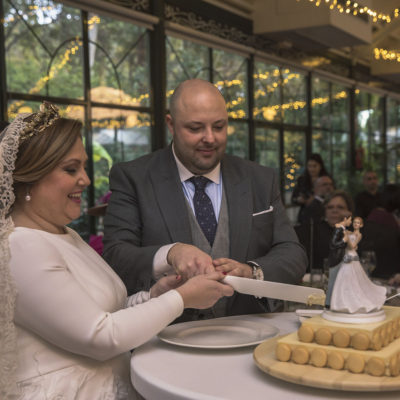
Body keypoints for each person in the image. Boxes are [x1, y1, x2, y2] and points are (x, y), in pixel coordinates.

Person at [0, 102, 234, 399]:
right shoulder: (20, 246)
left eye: (83, 167)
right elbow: (101, 336)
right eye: (71, 169)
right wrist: (182, 298)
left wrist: (155, 295)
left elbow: (109, 313)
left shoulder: (66, 235)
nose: (85, 179)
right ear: (31, 178)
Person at [103, 78, 307, 321]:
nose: (210, 138)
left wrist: (252, 272)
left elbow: (293, 253)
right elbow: (116, 256)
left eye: (219, 127)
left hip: (250, 331)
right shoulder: (134, 178)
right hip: (167, 334)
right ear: (171, 125)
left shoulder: (260, 179)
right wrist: (169, 254)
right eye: (195, 128)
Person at [329, 216, 386, 314]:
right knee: (344, 277)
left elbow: (353, 246)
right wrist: (342, 228)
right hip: (346, 255)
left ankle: (352, 301)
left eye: (358, 223)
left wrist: (347, 239)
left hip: (351, 255)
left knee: (351, 277)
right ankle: (342, 301)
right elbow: (341, 228)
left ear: (361, 225)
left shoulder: (359, 235)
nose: (356, 224)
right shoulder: (349, 232)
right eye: (355, 222)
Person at [295, 190, 354, 273]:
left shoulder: (354, 230)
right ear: (325, 211)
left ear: (349, 212)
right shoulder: (314, 230)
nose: (334, 211)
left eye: (340, 207)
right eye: (330, 207)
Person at [291, 153, 329, 224]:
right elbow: (294, 198)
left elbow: (331, 196)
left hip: (322, 215)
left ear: (320, 166)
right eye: (309, 166)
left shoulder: (326, 180)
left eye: (314, 166)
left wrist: (315, 198)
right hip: (305, 217)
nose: (312, 169)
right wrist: (299, 199)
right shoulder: (302, 180)